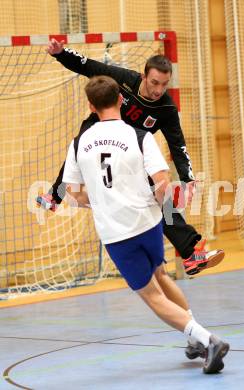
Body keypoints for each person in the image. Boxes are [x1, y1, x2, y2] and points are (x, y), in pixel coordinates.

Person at [63, 75, 229, 374]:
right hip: (149, 223)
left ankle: (209, 340)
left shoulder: (78, 144)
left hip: (118, 232)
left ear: (90, 105)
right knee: (161, 275)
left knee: (151, 295)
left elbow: (72, 196)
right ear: (119, 101)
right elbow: (163, 183)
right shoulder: (140, 136)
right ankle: (194, 340)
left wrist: (97, 198)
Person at [37, 38, 224, 276]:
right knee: (78, 148)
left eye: (164, 85)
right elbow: (88, 66)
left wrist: (188, 180)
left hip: (128, 154)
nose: (158, 90)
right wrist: (61, 53)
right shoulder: (124, 79)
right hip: (99, 137)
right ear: (144, 76)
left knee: (161, 196)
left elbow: (178, 145)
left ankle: (190, 253)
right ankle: (55, 196)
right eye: (154, 82)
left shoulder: (166, 108)